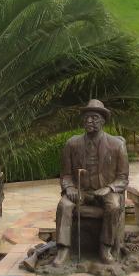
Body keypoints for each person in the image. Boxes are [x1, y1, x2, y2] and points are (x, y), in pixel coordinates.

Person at [52, 99, 129, 265]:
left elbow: (123, 179)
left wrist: (109, 188)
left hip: (105, 192)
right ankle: (63, 250)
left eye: (93, 118)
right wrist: (70, 187)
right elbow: (65, 174)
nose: (89, 121)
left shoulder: (116, 145)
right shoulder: (72, 144)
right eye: (86, 118)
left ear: (102, 121)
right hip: (81, 192)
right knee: (64, 205)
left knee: (114, 206)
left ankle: (105, 247)